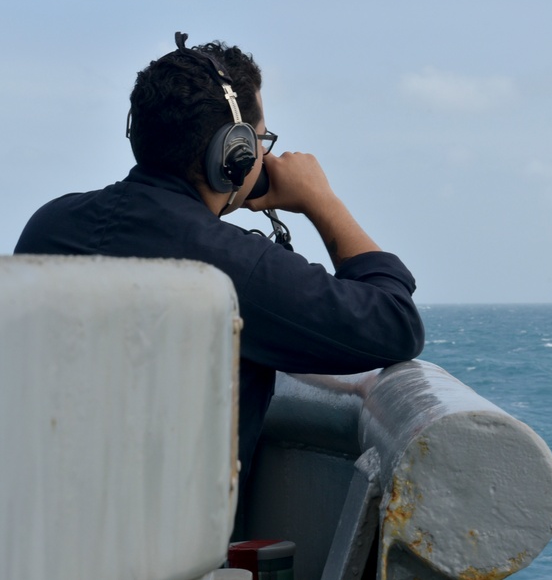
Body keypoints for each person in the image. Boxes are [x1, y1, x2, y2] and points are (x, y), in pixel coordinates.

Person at [14, 33, 425, 520]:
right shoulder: (231, 267)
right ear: (235, 154)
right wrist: (322, 202)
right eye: (260, 140)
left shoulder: (50, 227)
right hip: (176, 553)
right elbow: (395, 322)